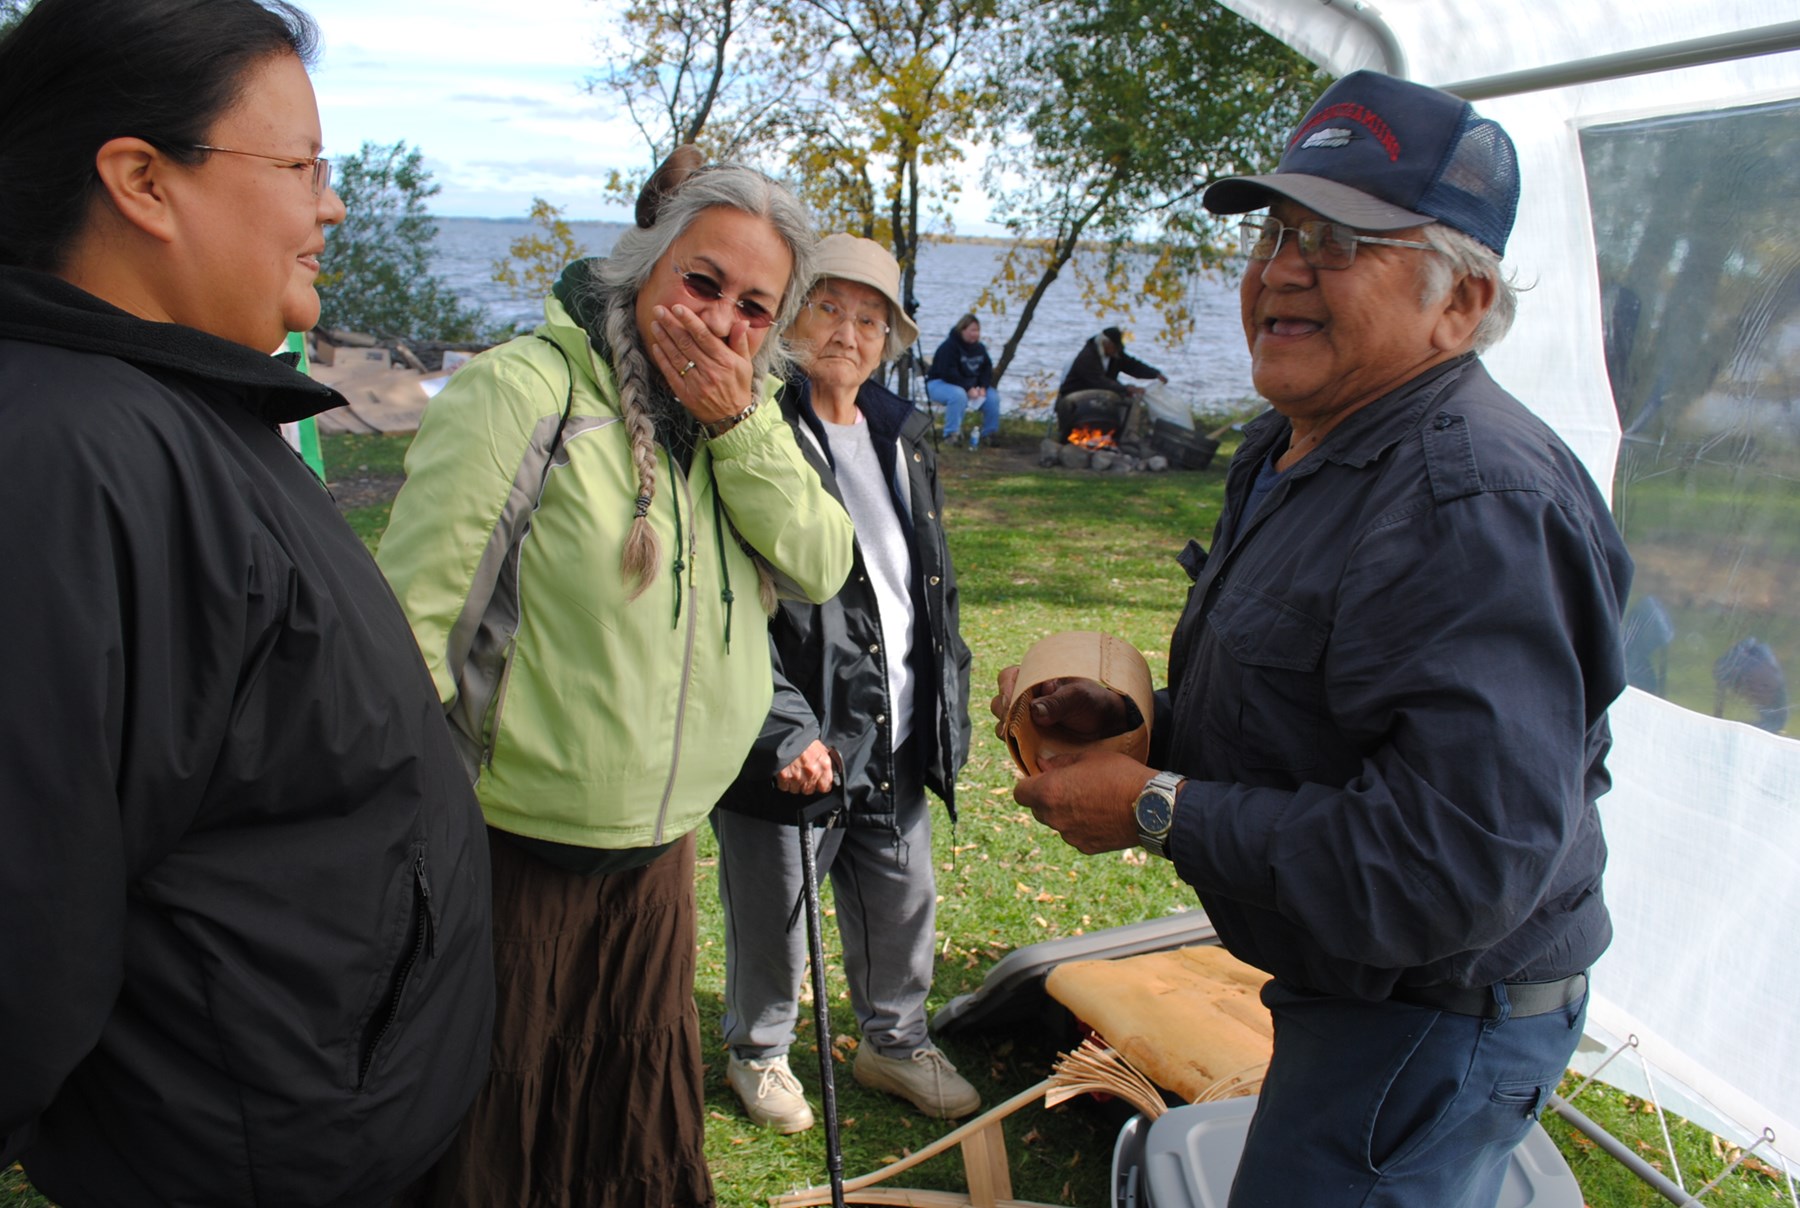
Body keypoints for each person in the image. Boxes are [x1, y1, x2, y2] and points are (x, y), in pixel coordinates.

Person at [992, 70, 1632, 1208]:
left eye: (1343, 241)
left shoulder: (1469, 500)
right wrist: (1127, 728)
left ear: (1461, 304)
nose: (1282, 268)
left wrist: (1155, 804)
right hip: (1361, 1001)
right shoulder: (1301, 440)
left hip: (1432, 1028)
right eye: (1278, 230)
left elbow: (1453, 863)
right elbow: (1326, 717)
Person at [0, 1, 496, 1205]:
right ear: (143, 182)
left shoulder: (177, 406)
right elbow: (21, 921)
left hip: (332, 1124)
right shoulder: (70, 459)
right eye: (302, 165)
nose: (331, 204)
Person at [374, 150, 854, 1207]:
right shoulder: (526, 392)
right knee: (495, 1149)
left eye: (754, 307)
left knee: (621, 1150)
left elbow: (822, 561)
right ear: (643, 265)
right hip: (510, 861)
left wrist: (737, 425)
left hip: (657, 863)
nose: (721, 320)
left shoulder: (741, 424)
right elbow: (407, 640)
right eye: (701, 281)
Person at [713, 235, 978, 1133]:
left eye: (871, 319)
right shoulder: (752, 428)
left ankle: (893, 1043)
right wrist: (783, 730)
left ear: (890, 341)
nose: (848, 333)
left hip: (894, 720)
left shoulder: (902, 433)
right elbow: (727, 603)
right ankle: (760, 1052)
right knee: (776, 910)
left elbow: (924, 581)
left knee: (902, 895)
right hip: (794, 727)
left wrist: (946, 693)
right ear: (791, 317)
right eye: (829, 307)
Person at [1053, 326, 1169, 443]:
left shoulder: (1114, 355)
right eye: (1114, 348)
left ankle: (1124, 436)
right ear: (1105, 344)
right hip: (1077, 394)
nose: (1116, 352)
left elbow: (1132, 365)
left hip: (1100, 392)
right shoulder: (1087, 357)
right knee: (1120, 395)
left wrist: (1155, 374)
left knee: (1130, 400)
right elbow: (1098, 381)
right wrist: (1126, 388)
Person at [925, 312, 1000, 448]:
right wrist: (967, 388)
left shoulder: (980, 348)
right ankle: (951, 435)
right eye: (972, 330)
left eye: (977, 331)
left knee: (992, 397)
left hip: (971, 387)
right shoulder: (949, 347)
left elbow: (986, 369)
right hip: (939, 383)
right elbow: (948, 373)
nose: (975, 334)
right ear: (962, 330)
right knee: (958, 395)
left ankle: (989, 434)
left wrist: (983, 386)